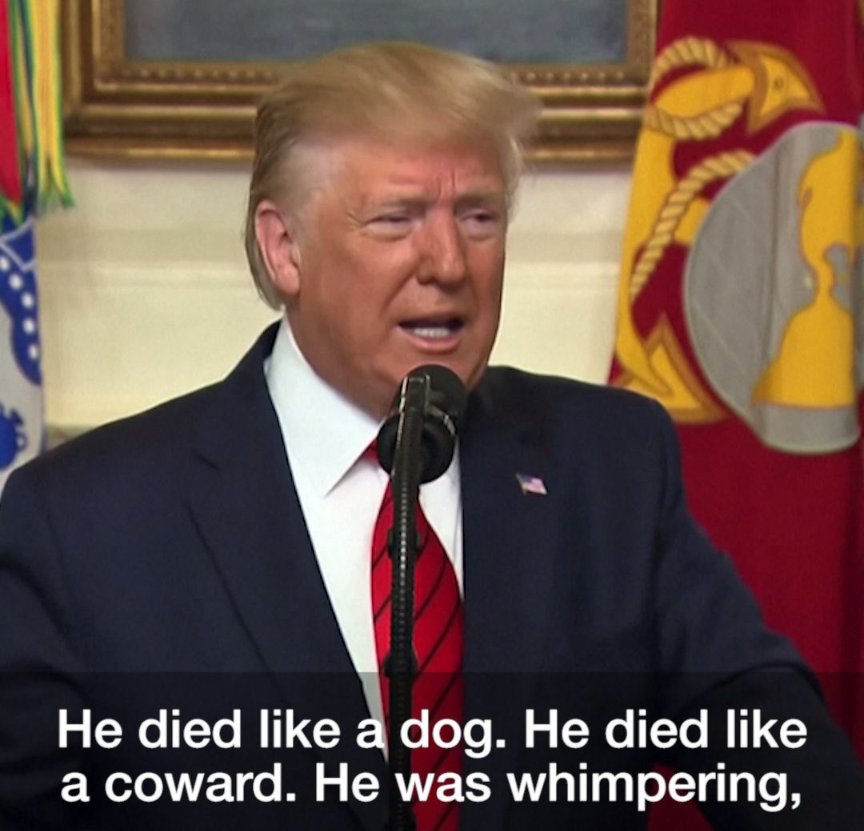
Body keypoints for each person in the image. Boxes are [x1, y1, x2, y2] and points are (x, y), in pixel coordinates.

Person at [0, 41, 861, 831]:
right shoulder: (87, 523)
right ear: (284, 247)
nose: (449, 262)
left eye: (479, 217)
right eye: (397, 219)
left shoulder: (609, 466)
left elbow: (771, 747)